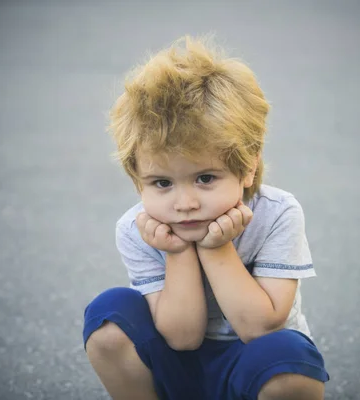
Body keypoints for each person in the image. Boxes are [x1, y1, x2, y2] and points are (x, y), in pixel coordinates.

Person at [83, 35, 329, 400]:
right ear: (138, 181)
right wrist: (179, 253)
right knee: (109, 313)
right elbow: (182, 338)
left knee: (288, 358)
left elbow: (260, 329)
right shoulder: (139, 229)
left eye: (205, 178)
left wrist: (217, 248)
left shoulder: (277, 213)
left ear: (247, 166)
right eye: (162, 182)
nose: (185, 202)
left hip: (254, 366)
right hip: (179, 370)